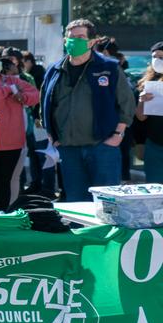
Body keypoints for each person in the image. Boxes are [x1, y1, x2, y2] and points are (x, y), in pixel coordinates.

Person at [41, 19, 136, 200]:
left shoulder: (108, 67)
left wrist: (118, 135)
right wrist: (52, 136)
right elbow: (45, 103)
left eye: (80, 37)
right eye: (71, 37)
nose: (74, 41)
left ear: (92, 42)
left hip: (102, 147)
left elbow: (126, 103)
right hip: (68, 149)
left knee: (107, 203)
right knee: (76, 202)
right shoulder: (54, 70)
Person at [0, 57, 40, 211]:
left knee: (5, 182)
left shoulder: (11, 79)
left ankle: (4, 215)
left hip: (13, 143)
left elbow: (35, 94)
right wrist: (8, 90)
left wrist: (23, 96)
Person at [135, 42, 163, 183]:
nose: (157, 60)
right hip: (155, 144)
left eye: (161, 57)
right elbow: (141, 117)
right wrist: (142, 100)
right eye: (154, 57)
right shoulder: (148, 83)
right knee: (155, 188)